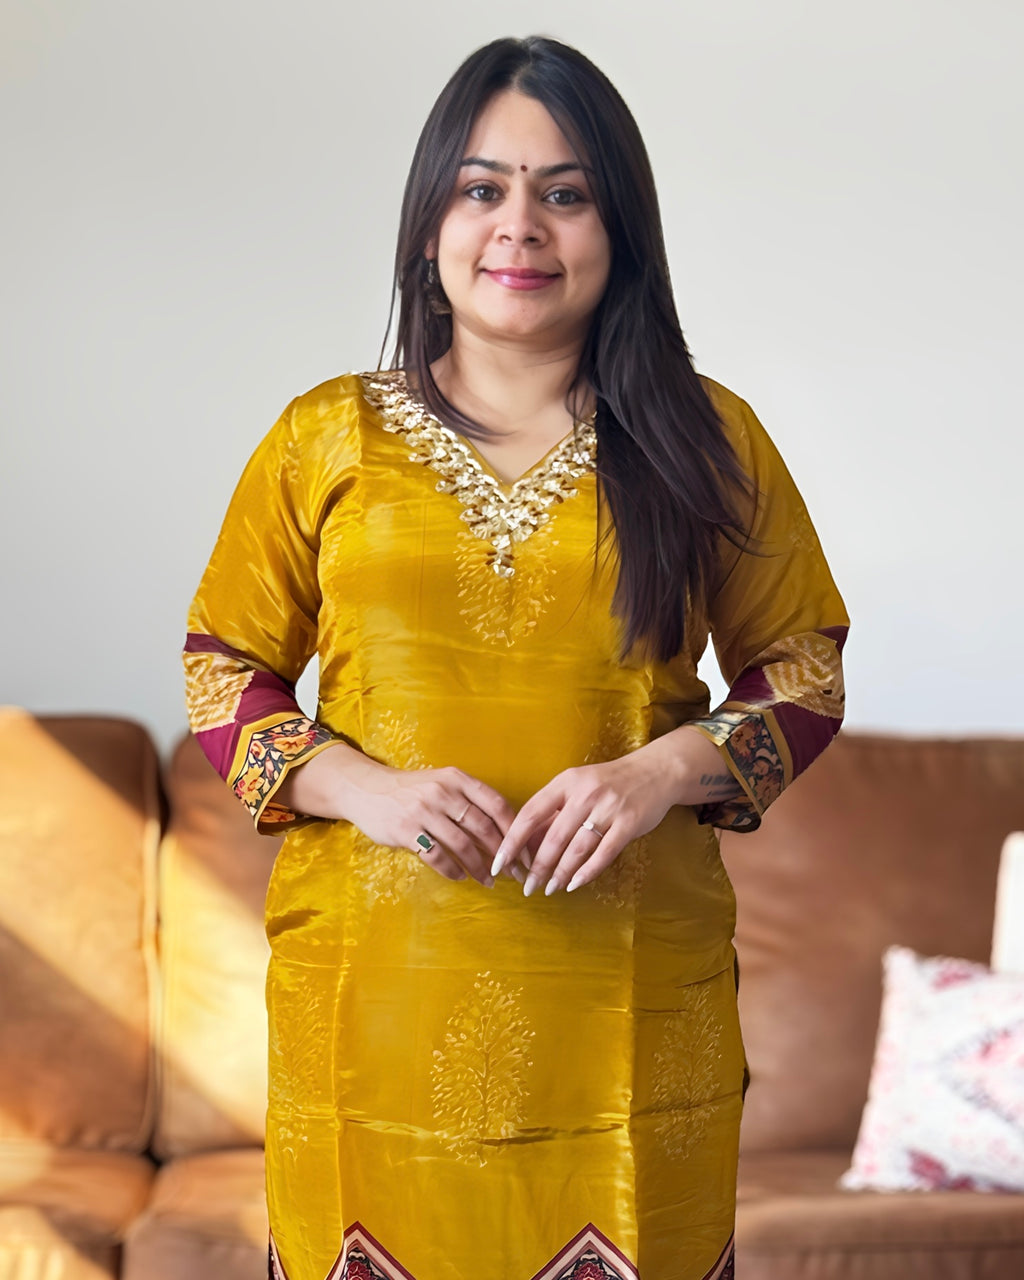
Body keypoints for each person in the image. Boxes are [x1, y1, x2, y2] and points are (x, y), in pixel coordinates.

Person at [183, 34, 848, 1280]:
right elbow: (224, 664)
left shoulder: (706, 439)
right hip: (373, 1001)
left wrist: (654, 773)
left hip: (628, 1003)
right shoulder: (324, 436)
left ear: (619, 228)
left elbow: (802, 667)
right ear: (430, 223)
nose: (519, 226)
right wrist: (365, 788)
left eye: (566, 192)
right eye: (482, 187)